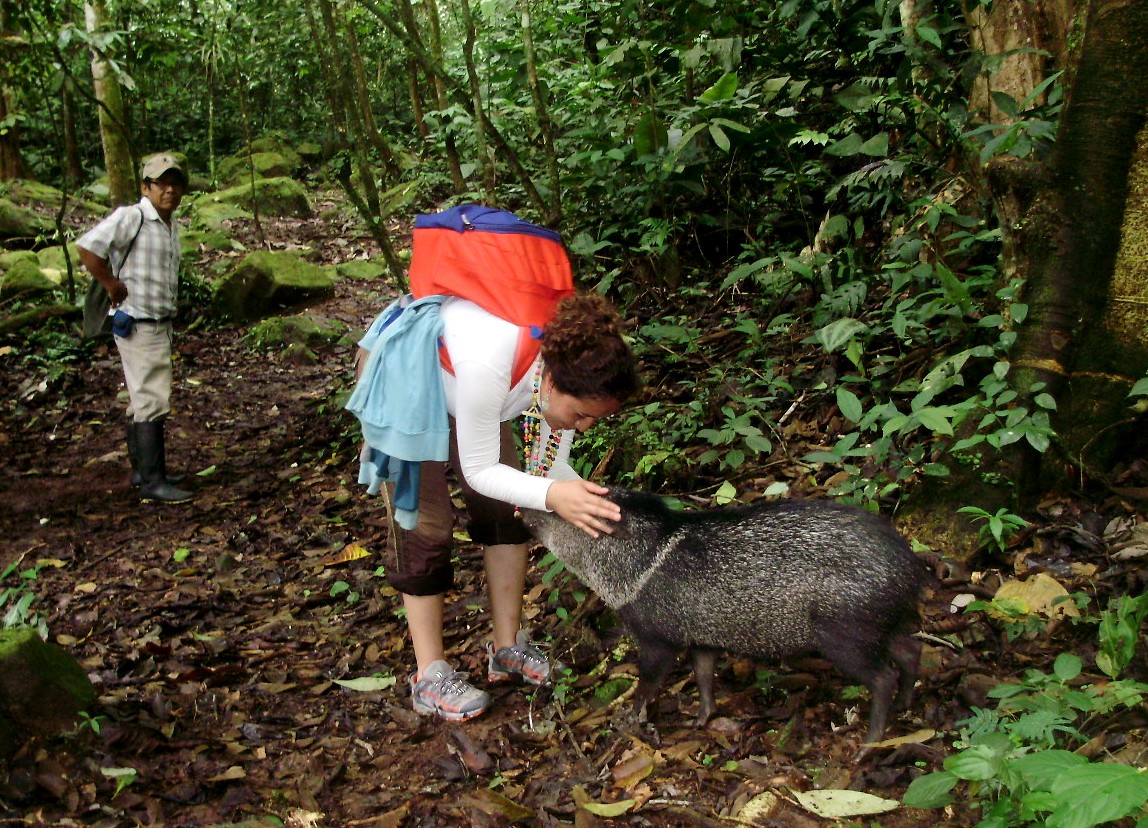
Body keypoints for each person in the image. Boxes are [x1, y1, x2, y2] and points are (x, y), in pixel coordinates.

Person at [350, 291, 640, 721]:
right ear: (553, 384)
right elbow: (481, 471)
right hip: (406, 377)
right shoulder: (491, 363)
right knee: (427, 524)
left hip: (465, 385)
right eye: (581, 415)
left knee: (505, 511)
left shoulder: (561, 368)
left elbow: (548, 469)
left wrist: (581, 495)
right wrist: (554, 495)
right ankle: (429, 674)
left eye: (594, 419)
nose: (584, 426)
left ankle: (507, 648)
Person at [77, 152, 192, 504]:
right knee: (152, 399)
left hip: (158, 321)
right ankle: (154, 481)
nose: (170, 190)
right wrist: (111, 284)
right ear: (146, 187)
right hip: (139, 322)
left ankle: (143, 471)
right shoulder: (134, 217)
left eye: (176, 184)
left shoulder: (169, 224)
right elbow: (88, 246)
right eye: (162, 183)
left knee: (142, 397)